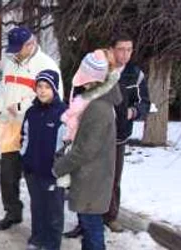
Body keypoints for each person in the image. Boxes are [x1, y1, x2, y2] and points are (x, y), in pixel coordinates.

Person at [64, 34, 151, 238]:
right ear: (111, 49)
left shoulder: (134, 74)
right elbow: (76, 93)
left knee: (112, 178)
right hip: (90, 133)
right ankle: (83, 221)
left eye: (130, 49)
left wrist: (133, 112)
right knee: (85, 177)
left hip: (117, 137)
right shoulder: (96, 66)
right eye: (121, 49)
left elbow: (144, 102)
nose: (126, 54)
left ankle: (110, 216)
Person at [0, 27, 63, 230]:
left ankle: (44, 221)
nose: (15, 52)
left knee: (37, 176)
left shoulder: (47, 64)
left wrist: (21, 107)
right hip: (9, 126)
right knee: (7, 174)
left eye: (19, 49)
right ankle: (12, 212)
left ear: (30, 44)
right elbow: (3, 90)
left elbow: (53, 98)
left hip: (36, 128)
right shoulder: (9, 62)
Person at [53, 50, 122, 250]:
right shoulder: (94, 102)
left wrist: (59, 167)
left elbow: (85, 149)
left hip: (92, 179)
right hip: (91, 178)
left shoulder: (98, 108)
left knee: (93, 231)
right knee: (89, 229)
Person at [20, 70, 66, 250]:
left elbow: (67, 144)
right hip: (33, 170)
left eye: (47, 87)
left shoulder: (64, 113)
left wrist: (60, 168)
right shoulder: (31, 112)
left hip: (53, 172)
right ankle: (37, 238)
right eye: (39, 86)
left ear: (54, 89)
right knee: (37, 206)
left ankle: (52, 243)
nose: (42, 91)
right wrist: (24, 159)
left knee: (54, 210)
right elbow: (24, 136)